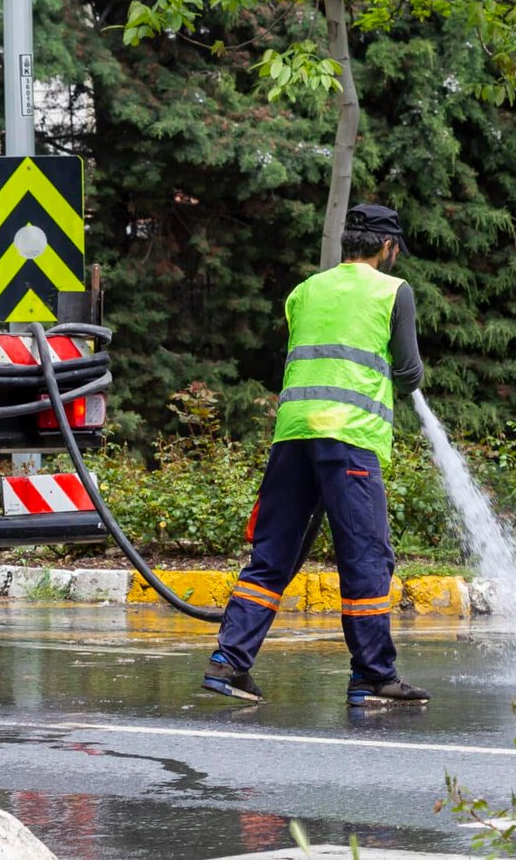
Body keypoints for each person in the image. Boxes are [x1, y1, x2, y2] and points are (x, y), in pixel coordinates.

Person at [202, 204, 429, 707]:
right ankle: (372, 676)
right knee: (366, 557)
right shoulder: (394, 291)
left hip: (293, 434)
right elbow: (408, 371)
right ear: (387, 247)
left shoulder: (304, 291)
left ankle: (228, 663)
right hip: (350, 438)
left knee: (272, 555)